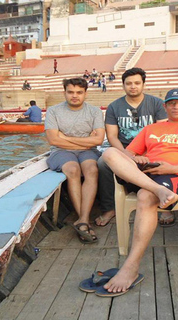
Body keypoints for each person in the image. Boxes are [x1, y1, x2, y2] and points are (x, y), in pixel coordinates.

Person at [95, 88, 178, 296]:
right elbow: (129, 153)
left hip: (176, 176)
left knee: (145, 196)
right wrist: (137, 159)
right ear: (165, 107)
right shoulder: (152, 129)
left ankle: (131, 268)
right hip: (146, 174)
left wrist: (172, 168)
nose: (176, 106)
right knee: (109, 153)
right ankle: (157, 190)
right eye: (172, 103)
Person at [95, 67, 168, 228]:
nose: (133, 86)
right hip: (124, 150)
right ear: (123, 85)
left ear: (143, 84)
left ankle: (166, 206)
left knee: (165, 160)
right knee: (102, 164)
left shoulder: (156, 104)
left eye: (136, 83)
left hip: (151, 148)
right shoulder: (114, 107)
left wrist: (147, 153)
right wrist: (128, 154)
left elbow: (161, 133)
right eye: (128, 83)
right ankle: (109, 208)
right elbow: (112, 136)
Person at [44, 78, 105, 243]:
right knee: (72, 170)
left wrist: (65, 137)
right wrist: (84, 140)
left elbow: (99, 140)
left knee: (92, 170)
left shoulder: (94, 112)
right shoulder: (54, 111)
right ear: (64, 92)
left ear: (85, 93)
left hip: (88, 152)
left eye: (79, 92)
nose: (74, 96)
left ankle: (83, 220)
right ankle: (84, 220)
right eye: (70, 92)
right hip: (61, 152)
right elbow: (54, 141)